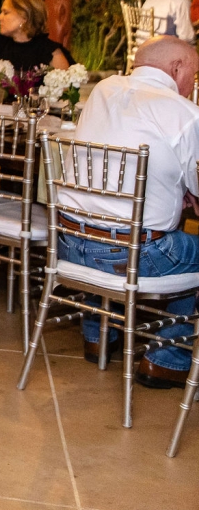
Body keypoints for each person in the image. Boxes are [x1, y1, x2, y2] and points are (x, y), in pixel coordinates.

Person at [57, 36, 198, 388]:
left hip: (70, 244)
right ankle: (168, 359)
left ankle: (98, 335)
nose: (193, 85)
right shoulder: (184, 112)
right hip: (130, 256)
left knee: (115, 222)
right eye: (194, 76)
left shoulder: (103, 90)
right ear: (177, 67)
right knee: (183, 247)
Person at [0, 0, 73, 77]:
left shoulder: (49, 52)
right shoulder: (1, 45)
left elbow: (65, 90)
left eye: (5, 12)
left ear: (24, 17)